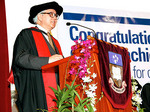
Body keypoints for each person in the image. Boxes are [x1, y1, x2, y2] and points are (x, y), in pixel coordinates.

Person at [11, 1, 63, 112]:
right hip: (36, 89)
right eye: (51, 14)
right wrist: (48, 60)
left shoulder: (55, 41)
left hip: (56, 92)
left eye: (56, 16)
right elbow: (20, 59)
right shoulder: (26, 34)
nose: (55, 18)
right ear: (39, 17)